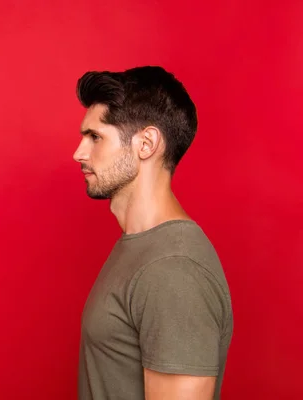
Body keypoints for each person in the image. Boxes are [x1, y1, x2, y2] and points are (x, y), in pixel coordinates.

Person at [73, 66, 233, 400]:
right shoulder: (142, 248)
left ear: (146, 143)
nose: (79, 153)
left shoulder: (173, 268)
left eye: (95, 137)